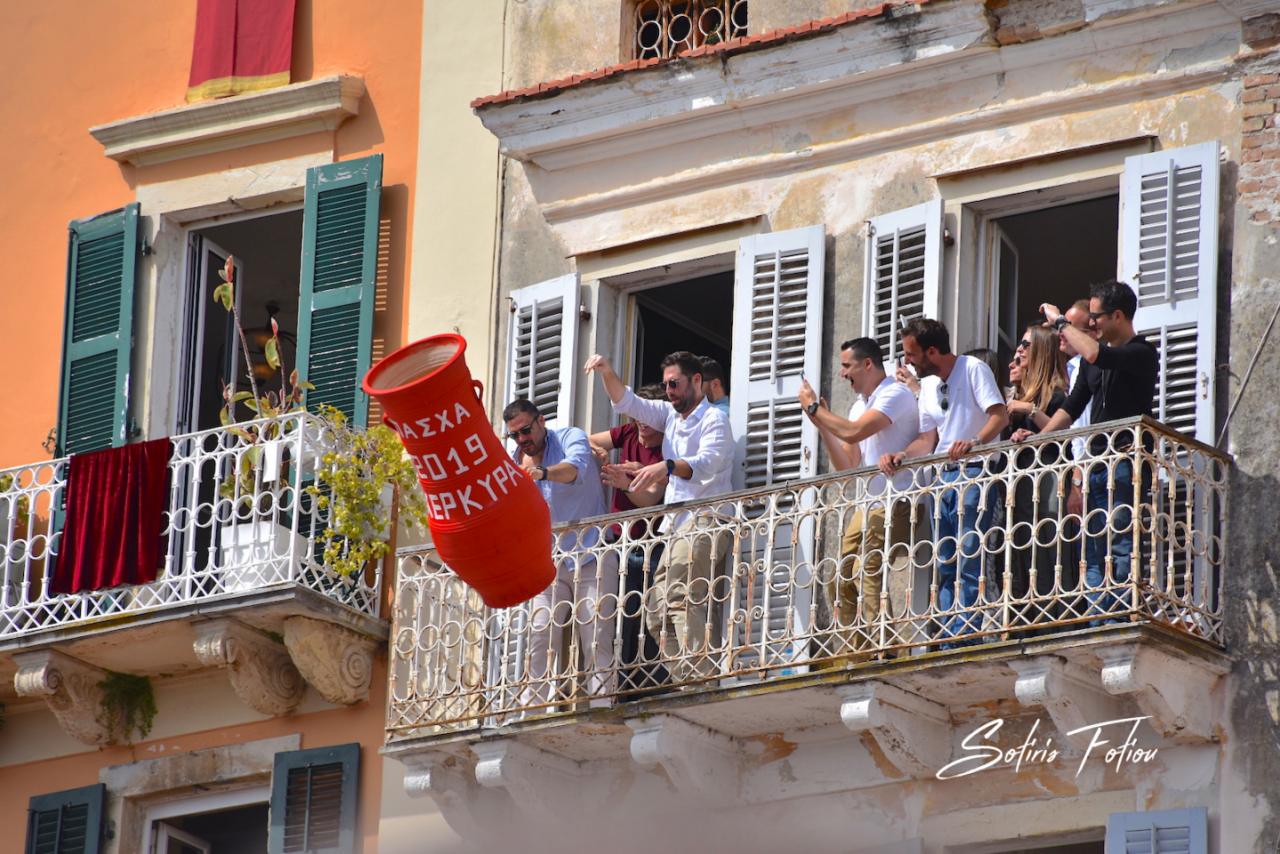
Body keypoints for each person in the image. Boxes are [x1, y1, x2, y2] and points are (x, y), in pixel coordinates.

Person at [583, 350, 734, 681]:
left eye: (675, 384)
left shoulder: (715, 420)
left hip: (706, 518)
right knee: (655, 611)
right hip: (677, 525)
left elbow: (706, 464)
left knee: (678, 599)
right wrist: (607, 370)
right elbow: (628, 402)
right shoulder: (669, 415)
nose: (670, 392)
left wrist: (664, 467)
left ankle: (699, 679)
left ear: (696, 381)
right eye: (666, 385)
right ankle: (686, 679)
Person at [1020, 281, 1157, 625]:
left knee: (1121, 541)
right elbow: (1070, 408)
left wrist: (1060, 323)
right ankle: (1098, 616)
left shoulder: (1140, 352)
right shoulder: (1092, 364)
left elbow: (1098, 354)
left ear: (1118, 316)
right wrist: (1037, 439)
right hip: (1096, 463)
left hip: (1126, 462)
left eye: (1096, 317)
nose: (1092, 324)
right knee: (1093, 547)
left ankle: (1118, 614)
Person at [879, 319, 1008, 644]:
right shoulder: (931, 387)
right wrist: (902, 455)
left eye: (911, 354)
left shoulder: (973, 369)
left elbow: (999, 415)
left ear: (932, 351)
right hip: (943, 479)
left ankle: (970, 633)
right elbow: (927, 439)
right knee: (946, 560)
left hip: (977, 471)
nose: (907, 361)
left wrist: (974, 442)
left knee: (970, 554)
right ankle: (953, 635)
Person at [798, 337, 918, 660]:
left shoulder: (895, 393)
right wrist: (820, 422)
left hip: (899, 499)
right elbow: (848, 465)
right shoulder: (858, 406)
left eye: (846, 366)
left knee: (868, 567)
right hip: (870, 503)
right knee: (838, 580)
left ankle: (886, 649)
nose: (842, 373)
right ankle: (858, 653)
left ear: (867, 364)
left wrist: (815, 409)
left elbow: (852, 432)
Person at [504, 399, 612, 706]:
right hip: (549, 563)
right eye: (515, 435)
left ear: (541, 421)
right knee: (539, 632)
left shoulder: (570, 437)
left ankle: (603, 705)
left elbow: (574, 469)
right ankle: (532, 708)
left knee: (595, 634)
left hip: (593, 554)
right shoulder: (513, 461)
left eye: (526, 430)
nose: (522, 439)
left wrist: (540, 473)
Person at [588, 383, 669, 694]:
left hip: (649, 545)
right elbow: (586, 441)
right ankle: (616, 686)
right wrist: (599, 452)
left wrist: (626, 482)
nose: (642, 429)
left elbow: (651, 500)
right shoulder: (627, 433)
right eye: (638, 421)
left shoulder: (669, 447)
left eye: (647, 422)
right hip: (616, 542)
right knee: (615, 615)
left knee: (647, 615)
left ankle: (647, 684)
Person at [1002, 326, 1067, 627]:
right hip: (1021, 480)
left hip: (1047, 475)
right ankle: (1024, 615)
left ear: (1041, 350)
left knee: (1046, 543)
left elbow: (1061, 430)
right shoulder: (1015, 395)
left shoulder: (1056, 392)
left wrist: (1029, 410)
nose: (1018, 350)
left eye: (1026, 345)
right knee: (1021, 547)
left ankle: (1050, 613)